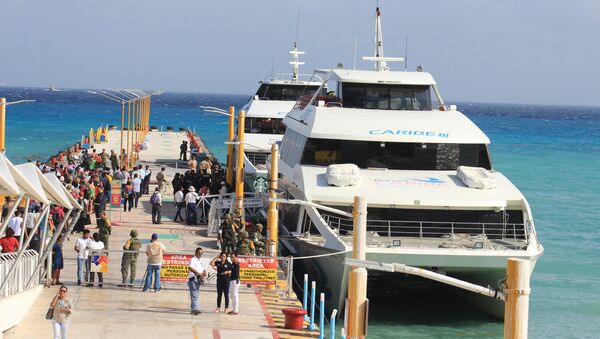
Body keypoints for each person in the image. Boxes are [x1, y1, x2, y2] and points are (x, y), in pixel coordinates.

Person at [187, 247, 207, 315]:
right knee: (194, 295)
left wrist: (204, 272)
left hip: (199, 279)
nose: (200, 255)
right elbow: (190, 267)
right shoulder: (193, 259)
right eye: (199, 253)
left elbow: (203, 268)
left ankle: (196, 308)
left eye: (201, 253)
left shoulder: (200, 260)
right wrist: (197, 273)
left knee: (196, 294)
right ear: (196, 253)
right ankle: (194, 309)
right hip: (193, 278)